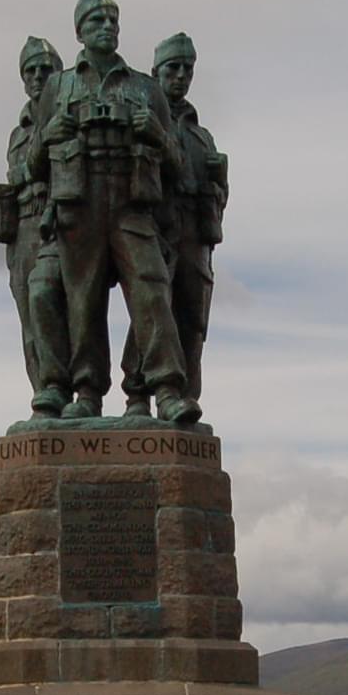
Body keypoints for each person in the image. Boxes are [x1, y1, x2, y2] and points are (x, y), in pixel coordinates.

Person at [18, 0, 196, 424]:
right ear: (80, 30)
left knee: (151, 288)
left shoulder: (145, 87)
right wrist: (52, 131)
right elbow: (31, 164)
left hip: (131, 203)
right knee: (83, 301)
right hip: (79, 201)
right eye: (97, 20)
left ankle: (167, 389)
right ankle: (87, 391)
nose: (108, 27)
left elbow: (178, 165)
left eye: (113, 20)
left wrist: (155, 131)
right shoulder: (58, 87)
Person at [123, 29, 225, 410]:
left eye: (187, 68)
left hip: (196, 233)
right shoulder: (145, 120)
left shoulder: (202, 137)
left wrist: (219, 185)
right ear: (156, 72)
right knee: (151, 309)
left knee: (193, 319)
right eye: (173, 68)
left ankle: (185, 397)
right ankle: (137, 393)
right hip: (155, 226)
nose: (181, 75)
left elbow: (219, 195)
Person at [0, 36, 63, 394]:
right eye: (30, 70)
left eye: (44, 69)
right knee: (29, 319)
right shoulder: (17, 133)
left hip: (59, 224)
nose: (37, 76)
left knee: (54, 307)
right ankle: (43, 393)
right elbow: (18, 174)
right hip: (22, 228)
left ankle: (65, 388)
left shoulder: (66, 118)